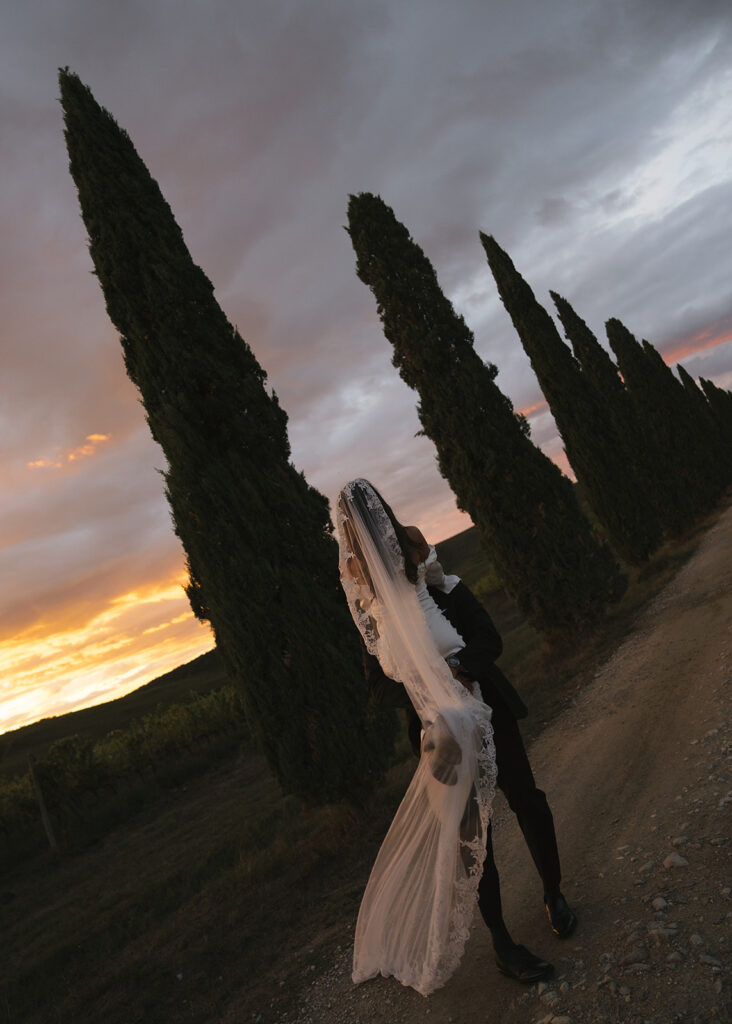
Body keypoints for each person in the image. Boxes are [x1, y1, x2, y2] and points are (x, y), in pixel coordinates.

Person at [336, 479, 576, 996]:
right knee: (472, 838)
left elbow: (489, 636)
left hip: (487, 705)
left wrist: (462, 669)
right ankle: (503, 945)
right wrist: (426, 694)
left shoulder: (431, 572)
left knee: (527, 800)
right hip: (437, 732)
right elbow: (378, 687)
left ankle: (554, 894)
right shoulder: (370, 608)